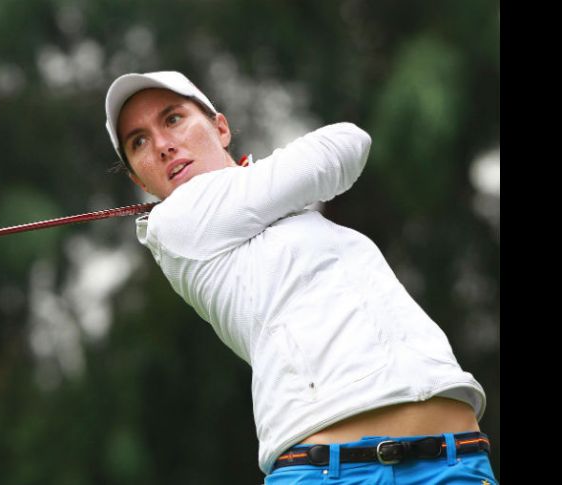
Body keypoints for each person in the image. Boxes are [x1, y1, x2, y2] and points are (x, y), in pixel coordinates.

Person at [104, 71, 498, 484]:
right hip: (329, 471)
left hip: (457, 461)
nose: (163, 146)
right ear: (137, 178)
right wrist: (255, 176)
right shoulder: (175, 225)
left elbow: (351, 142)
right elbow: (335, 152)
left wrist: (254, 180)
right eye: (139, 142)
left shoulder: (291, 216)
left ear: (220, 128)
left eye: (172, 119)